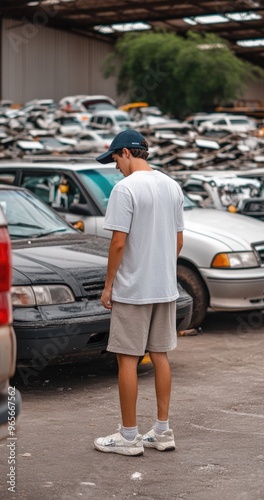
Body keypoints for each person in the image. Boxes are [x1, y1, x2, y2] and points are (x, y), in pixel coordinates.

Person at [93, 129, 184, 456]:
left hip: (133, 290)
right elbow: (178, 241)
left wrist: (108, 285)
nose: (115, 166)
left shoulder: (125, 189)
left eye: (115, 158)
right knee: (160, 355)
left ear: (127, 153)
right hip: (165, 289)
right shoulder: (172, 186)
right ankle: (162, 431)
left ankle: (128, 437)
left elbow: (118, 243)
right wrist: (159, 270)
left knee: (127, 359)